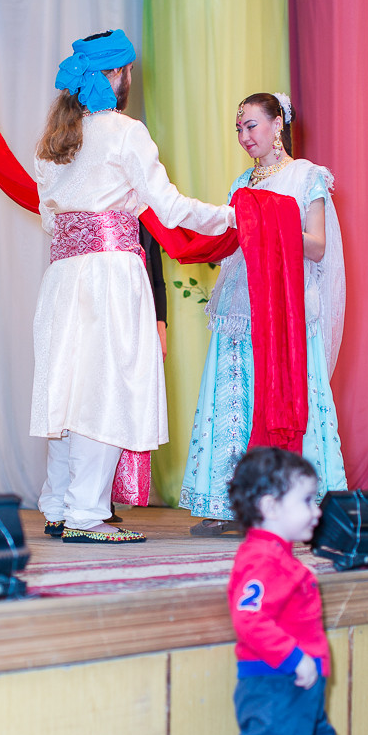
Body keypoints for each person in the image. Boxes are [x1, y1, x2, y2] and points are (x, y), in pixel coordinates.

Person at [30, 30, 235, 543]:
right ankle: (86, 515)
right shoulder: (125, 132)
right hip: (110, 275)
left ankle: (58, 505)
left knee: (67, 389)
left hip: (61, 277)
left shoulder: (52, 144)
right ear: (118, 75)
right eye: (127, 72)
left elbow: (51, 223)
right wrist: (237, 216)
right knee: (106, 388)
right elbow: (170, 207)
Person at [179, 92, 347, 535]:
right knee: (235, 396)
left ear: (278, 125)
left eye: (251, 125)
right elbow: (232, 244)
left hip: (288, 308)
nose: (243, 136)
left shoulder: (306, 176)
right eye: (238, 128)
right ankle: (226, 503)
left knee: (290, 396)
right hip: (242, 304)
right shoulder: (241, 184)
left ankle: (301, 503)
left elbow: (317, 245)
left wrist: (272, 224)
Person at [199, 446, 356, 735]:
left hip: (300, 690)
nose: (318, 510)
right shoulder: (260, 561)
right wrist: (295, 659)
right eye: (307, 500)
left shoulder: (282, 558)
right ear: (270, 507)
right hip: (275, 687)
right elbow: (249, 619)